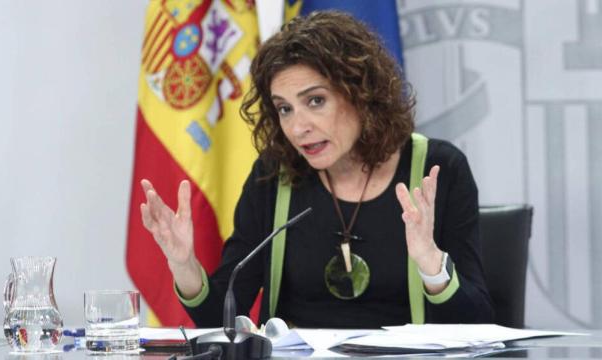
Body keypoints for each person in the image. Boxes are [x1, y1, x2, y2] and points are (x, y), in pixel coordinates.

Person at [140, 11, 494, 328]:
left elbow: (477, 322)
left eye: (315, 101)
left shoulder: (437, 169)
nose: (297, 127)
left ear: (362, 94)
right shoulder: (272, 175)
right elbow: (224, 317)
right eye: (284, 109)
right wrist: (184, 264)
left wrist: (431, 264)